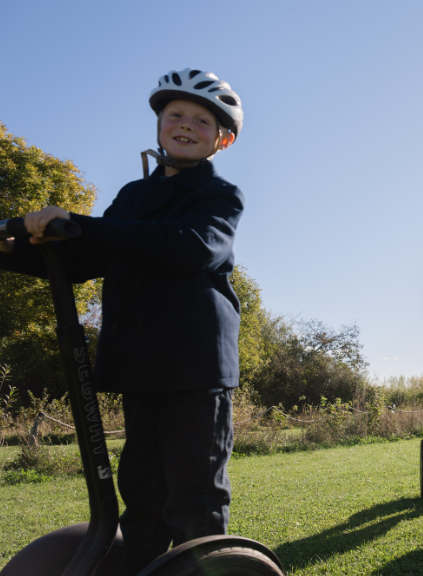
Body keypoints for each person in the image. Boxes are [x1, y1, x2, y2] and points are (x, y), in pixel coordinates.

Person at [0, 68, 244, 576]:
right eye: (174, 114)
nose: (185, 124)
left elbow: (190, 247)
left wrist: (80, 226)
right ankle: (141, 566)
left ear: (223, 139)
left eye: (201, 120)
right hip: (141, 363)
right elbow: (81, 262)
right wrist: (16, 248)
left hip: (194, 364)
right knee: (143, 492)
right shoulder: (133, 196)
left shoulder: (220, 196)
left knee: (192, 496)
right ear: (158, 125)